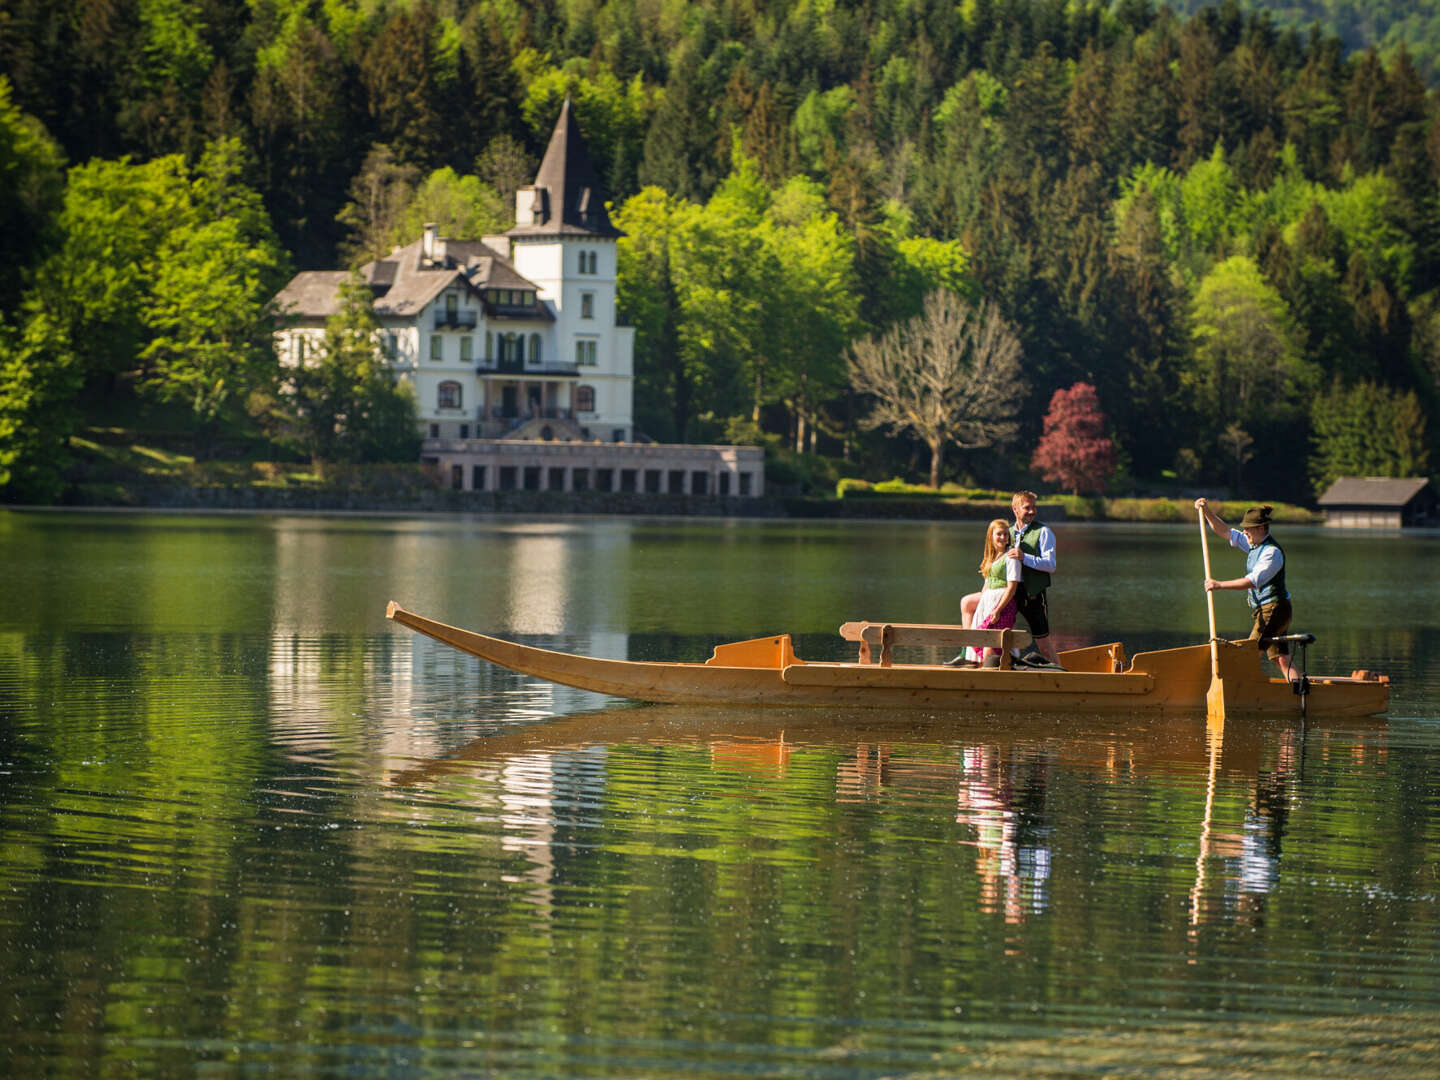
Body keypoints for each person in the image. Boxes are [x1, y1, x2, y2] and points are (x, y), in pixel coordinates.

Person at [1194, 498, 1297, 683]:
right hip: (1272, 609)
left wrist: (1218, 585)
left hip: (1275, 609)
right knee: (1279, 657)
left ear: (1260, 529)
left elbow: (1252, 581)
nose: (1245, 531)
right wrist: (1206, 511)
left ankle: (1238, 691)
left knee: (1249, 654)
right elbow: (1225, 531)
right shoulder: (1253, 544)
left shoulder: (1271, 553)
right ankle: (1298, 687)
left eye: (1248, 528)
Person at [949, 519, 1023, 666]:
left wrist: (997, 610)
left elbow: (1012, 588)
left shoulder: (1011, 557)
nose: (1003, 537)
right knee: (966, 602)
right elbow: (987, 583)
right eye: (999, 534)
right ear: (991, 536)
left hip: (1002, 600)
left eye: (1006, 534)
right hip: (990, 597)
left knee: (990, 650)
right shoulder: (992, 556)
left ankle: (996, 664)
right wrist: (982, 604)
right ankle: (968, 651)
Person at [1007, 490, 1059, 666]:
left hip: (1033, 594)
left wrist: (1024, 557)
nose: (1032, 511)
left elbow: (1051, 566)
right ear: (1015, 509)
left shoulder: (1044, 532)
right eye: (1027, 508)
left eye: (1034, 507)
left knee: (1043, 645)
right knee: (1001, 637)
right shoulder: (1005, 533)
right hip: (1009, 593)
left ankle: (1063, 677)